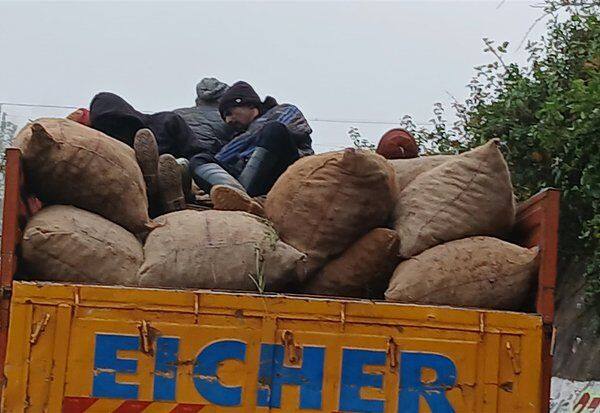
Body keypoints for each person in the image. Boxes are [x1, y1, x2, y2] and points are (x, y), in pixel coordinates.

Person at [189, 81, 313, 214]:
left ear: (249, 104)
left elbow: (280, 129)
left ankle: (243, 196)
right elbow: (221, 159)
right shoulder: (237, 136)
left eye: (230, 113)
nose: (228, 120)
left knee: (274, 130)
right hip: (246, 180)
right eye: (225, 117)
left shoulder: (285, 110)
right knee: (199, 160)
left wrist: (235, 147)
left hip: (284, 171)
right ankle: (236, 195)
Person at [88, 91, 212, 214]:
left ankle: (171, 192)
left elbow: (197, 153)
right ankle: (151, 182)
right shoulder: (109, 148)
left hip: (184, 185)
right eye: (106, 126)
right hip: (140, 194)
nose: (114, 129)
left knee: (180, 164)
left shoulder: (167, 121)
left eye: (117, 122)